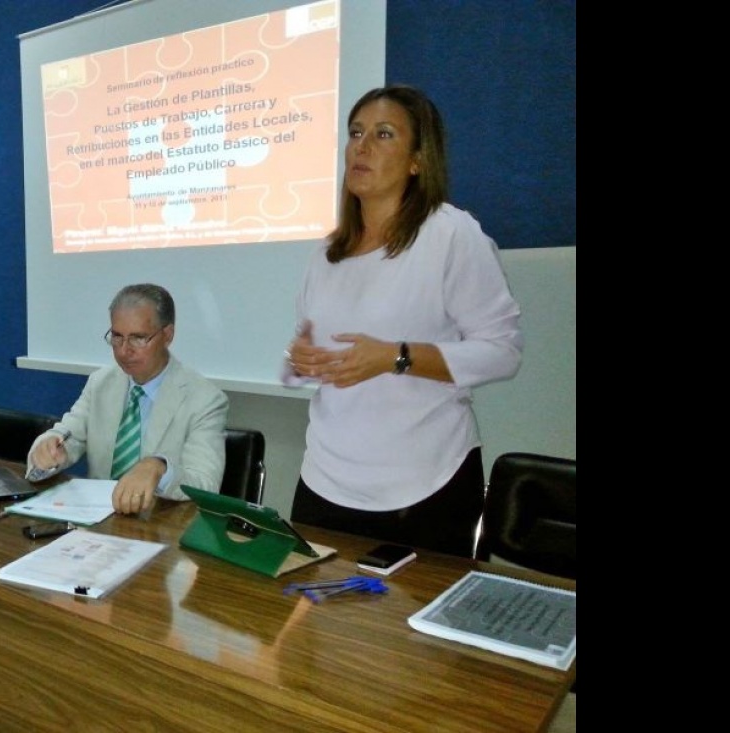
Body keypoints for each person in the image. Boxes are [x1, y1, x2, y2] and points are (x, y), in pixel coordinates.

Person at [282, 84, 523, 558]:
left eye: (384, 134)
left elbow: (504, 351)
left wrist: (397, 357)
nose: (361, 146)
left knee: (409, 633)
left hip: (424, 484)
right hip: (325, 479)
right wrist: (305, 360)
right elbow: (317, 351)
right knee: (317, 628)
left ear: (418, 160)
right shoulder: (326, 253)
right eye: (355, 132)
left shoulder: (451, 235)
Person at [27, 283, 228, 516]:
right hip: (98, 522)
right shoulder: (100, 383)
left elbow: (206, 484)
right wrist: (47, 449)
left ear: (167, 335)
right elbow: (67, 435)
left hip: (161, 526)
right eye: (117, 337)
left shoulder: (205, 399)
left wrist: (159, 468)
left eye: (138, 338)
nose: (123, 351)